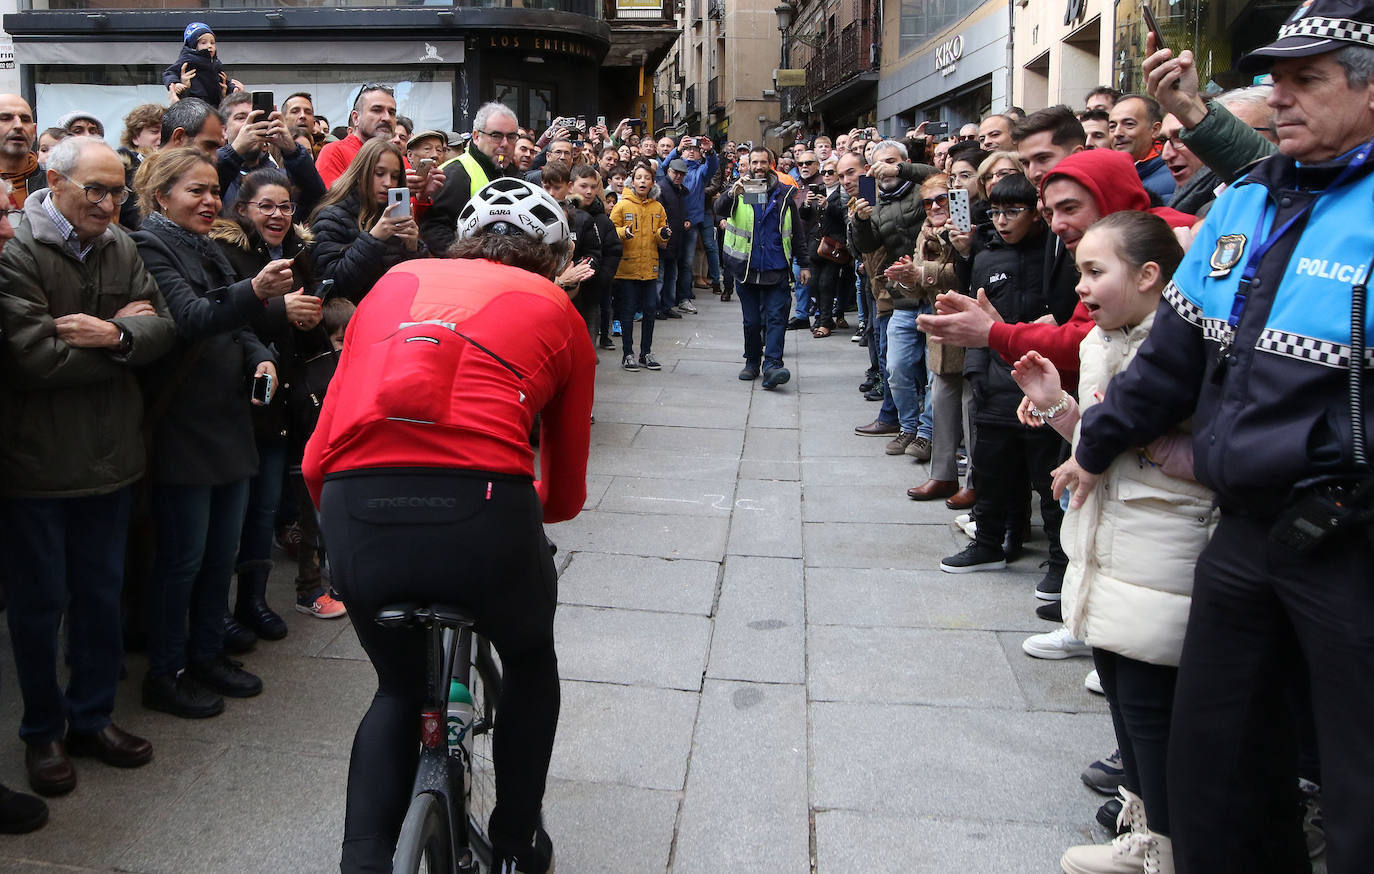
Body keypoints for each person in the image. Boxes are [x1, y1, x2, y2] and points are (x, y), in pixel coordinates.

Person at [1056, 7, 1374, 869]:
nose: (1283, 95)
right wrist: (1093, 443)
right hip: (1242, 533)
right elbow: (1170, 359)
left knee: (1359, 790)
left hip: (1350, 544)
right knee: (1211, 767)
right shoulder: (1247, 199)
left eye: (1307, 79)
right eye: (1277, 78)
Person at [305, 177, 592, 874]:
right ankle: (519, 843)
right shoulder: (557, 306)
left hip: (356, 503)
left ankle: (364, 860)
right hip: (484, 506)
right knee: (528, 661)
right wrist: (535, 522)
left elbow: (317, 455)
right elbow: (565, 486)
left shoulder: (395, 280)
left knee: (397, 689)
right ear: (552, 259)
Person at [1011, 211, 1196, 874]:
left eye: (1096, 271)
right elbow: (1094, 441)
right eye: (1080, 270)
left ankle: (1172, 850)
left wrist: (1121, 439)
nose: (1080, 285)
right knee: (1124, 699)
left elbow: (1184, 453)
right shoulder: (1100, 340)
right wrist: (1057, 404)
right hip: (1106, 539)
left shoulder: (1183, 347)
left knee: (1153, 711)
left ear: (1150, 275)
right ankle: (1144, 835)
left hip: (1162, 546)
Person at [0, 138, 177, 806]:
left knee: (102, 598)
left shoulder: (122, 245)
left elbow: (160, 329)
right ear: (56, 181)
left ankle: (93, 718)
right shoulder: (18, 251)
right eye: (95, 190)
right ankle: (43, 731)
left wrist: (116, 336)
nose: (109, 203)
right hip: (37, 465)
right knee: (40, 607)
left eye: (117, 192)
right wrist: (122, 337)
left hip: (111, 458)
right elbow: (33, 361)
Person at [132, 146, 296, 718]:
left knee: (220, 551)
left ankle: (206, 654)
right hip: (185, 422)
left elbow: (238, 326)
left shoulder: (206, 243)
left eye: (211, 190)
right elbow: (192, 318)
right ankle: (168, 669)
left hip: (227, 417)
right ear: (160, 198)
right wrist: (257, 292)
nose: (208, 200)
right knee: (183, 558)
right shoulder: (150, 244)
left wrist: (261, 355)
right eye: (194, 191)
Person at [210, 167, 345, 643]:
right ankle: (221, 611)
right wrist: (277, 311)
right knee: (238, 512)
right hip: (246, 398)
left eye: (285, 206)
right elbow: (221, 315)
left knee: (268, 506)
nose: (277, 215)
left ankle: (255, 599)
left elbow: (312, 313)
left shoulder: (298, 252)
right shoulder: (225, 252)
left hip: (290, 396)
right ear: (243, 209)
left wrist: (313, 315)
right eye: (266, 206)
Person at [883, 174, 967, 502]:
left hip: (963, 323)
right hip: (937, 323)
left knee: (967, 404)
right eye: (927, 202)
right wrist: (906, 277)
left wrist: (921, 273)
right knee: (928, 386)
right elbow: (918, 279)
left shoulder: (965, 229)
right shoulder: (926, 231)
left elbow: (967, 270)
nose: (933, 207)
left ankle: (968, 480)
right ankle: (941, 472)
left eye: (941, 200)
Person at [852, 139, 936, 454]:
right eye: (879, 164)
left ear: (903, 162)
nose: (884, 170)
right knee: (896, 368)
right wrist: (860, 221)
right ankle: (907, 427)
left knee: (933, 373)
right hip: (902, 297)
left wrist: (899, 168)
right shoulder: (873, 198)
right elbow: (868, 244)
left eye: (891, 162)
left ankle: (926, 432)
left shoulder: (924, 189)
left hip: (935, 294)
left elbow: (937, 175)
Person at [715, 146, 811, 390]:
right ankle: (752, 362)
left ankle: (773, 366)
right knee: (752, 322)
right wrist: (731, 193)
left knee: (777, 319)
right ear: (746, 165)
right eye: (754, 162)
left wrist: (804, 264)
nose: (758, 167)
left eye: (762, 162)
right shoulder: (743, 190)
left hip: (776, 268)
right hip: (747, 269)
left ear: (772, 164)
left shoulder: (784, 193)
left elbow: (797, 232)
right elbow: (718, 211)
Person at [311, 138, 427, 303]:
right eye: (379, 173)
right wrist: (373, 240)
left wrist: (413, 248)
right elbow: (331, 287)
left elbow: (412, 285)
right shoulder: (331, 217)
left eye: (394, 176)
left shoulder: (394, 216)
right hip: (352, 319)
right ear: (361, 172)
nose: (388, 183)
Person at [421, 101, 520, 255]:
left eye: (512, 137)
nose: (505, 144)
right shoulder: (453, 173)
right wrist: (467, 260)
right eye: (496, 136)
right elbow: (434, 229)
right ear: (476, 137)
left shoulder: (514, 173)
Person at [217, 92, 326, 218]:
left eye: (256, 117)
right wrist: (234, 152)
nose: (250, 124)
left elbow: (316, 200)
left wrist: (293, 152)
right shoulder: (213, 171)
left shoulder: (280, 177)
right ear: (224, 131)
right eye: (241, 118)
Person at [610, 159, 668, 371]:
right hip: (627, 269)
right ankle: (628, 353)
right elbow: (611, 229)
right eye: (639, 178)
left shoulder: (658, 207)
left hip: (650, 269)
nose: (643, 181)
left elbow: (663, 236)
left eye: (647, 178)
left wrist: (663, 235)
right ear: (632, 182)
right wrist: (623, 232)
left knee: (650, 311)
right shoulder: (622, 204)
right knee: (627, 312)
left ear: (653, 183)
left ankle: (646, 352)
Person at [314, 83, 399, 188]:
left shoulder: (399, 159)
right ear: (356, 118)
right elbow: (331, 201)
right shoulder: (335, 152)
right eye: (376, 110)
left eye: (392, 113)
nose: (387, 118)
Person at [1109, 94, 1174, 202]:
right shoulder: (1111, 176)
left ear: (1155, 130)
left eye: (1129, 124)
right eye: (1112, 126)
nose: (1117, 133)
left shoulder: (1174, 175)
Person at [163, 22, 240, 105]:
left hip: (214, 103)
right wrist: (176, 83)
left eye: (212, 43)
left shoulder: (216, 64)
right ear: (193, 46)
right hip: (196, 101)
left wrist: (232, 89)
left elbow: (222, 81)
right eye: (203, 43)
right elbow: (169, 73)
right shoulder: (187, 60)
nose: (209, 46)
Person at [0, 95, 42, 204]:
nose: (18, 126)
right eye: (6, 118)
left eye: (25, 119)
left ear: (34, 131)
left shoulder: (56, 183)